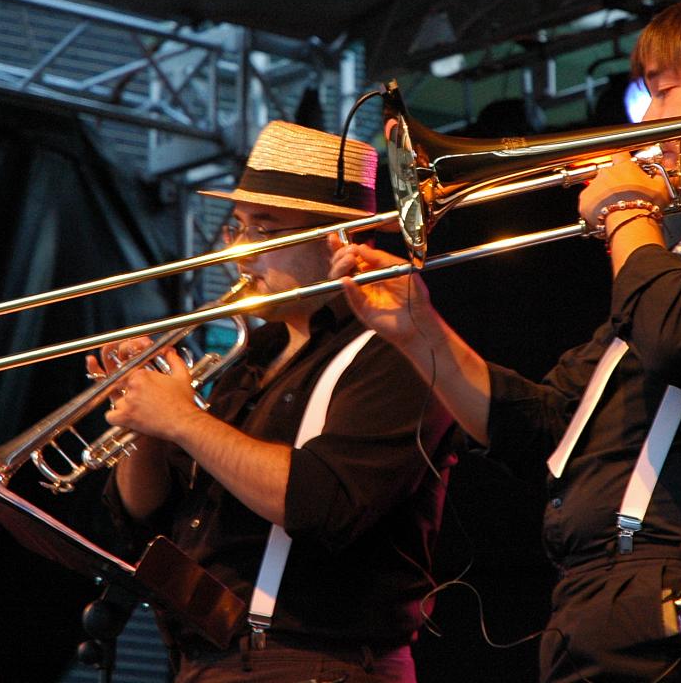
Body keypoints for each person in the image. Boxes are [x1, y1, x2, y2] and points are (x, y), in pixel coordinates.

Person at [335, 0, 681, 682]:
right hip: (598, 604)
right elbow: (541, 427)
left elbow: (677, 336)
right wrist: (420, 331)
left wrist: (628, 213)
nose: (645, 123)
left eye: (664, 93)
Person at [101, 120, 455, 682]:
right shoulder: (249, 362)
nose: (240, 256)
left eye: (264, 233)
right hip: (206, 661)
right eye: (236, 229)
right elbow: (151, 516)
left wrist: (184, 420)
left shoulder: (396, 353)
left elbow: (321, 504)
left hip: (314, 664)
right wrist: (146, 425)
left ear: (338, 238)